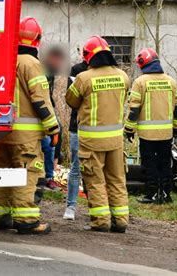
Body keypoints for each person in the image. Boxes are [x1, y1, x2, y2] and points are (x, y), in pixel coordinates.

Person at [0, 16, 60, 234]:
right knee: (26, 174)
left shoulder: (3, 58)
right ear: (37, 39)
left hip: (2, 132)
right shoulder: (32, 64)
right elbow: (40, 99)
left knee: (3, 173)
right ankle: (26, 220)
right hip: (26, 137)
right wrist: (54, 128)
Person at [66, 36, 130, 233]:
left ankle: (101, 221)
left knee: (95, 181)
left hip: (91, 141)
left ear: (88, 57)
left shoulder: (84, 78)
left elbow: (71, 101)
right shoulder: (122, 76)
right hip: (116, 141)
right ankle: (120, 221)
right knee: (117, 180)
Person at [124, 48, 177, 204]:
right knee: (165, 163)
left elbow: (134, 110)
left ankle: (151, 194)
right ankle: (166, 194)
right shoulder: (171, 81)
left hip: (147, 136)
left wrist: (129, 129)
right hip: (166, 134)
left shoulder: (140, 82)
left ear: (143, 64)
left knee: (149, 164)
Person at [63, 58, 88, 220]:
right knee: (76, 168)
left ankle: (97, 207)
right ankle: (71, 206)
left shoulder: (110, 71)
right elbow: (71, 99)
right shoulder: (77, 70)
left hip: (98, 129)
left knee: (97, 171)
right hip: (78, 126)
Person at [41, 45, 67, 191]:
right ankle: (49, 176)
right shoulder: (41, 70)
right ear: (52, 58)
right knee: (50, 139)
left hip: (48, 108)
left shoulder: (51, 71)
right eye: (58, 61)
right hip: (40, 111)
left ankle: (51, 174)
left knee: (58, 133)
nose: (59, 64)